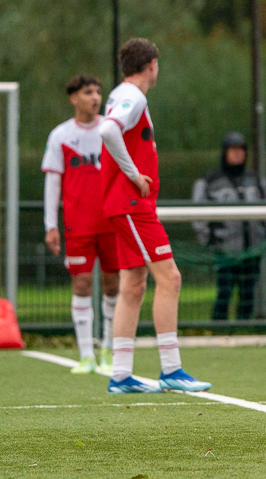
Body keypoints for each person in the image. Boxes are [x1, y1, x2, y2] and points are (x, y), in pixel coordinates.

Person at [99, 38, 210, 394]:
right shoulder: (133, 96)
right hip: (132, 204)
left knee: (134, 284)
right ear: (151, 65)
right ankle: (171, 370)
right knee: (171, 278)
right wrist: (133, 174)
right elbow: (108, 130)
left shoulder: (120, 94)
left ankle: (120, 375)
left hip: (125, 206)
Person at [41, 75, 120, 374]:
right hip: (78, 225)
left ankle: (109, 352)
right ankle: (86, 355)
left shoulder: (111, 130)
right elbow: (52, 181)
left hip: (112, 221)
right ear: (74, 98)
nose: (95, 97)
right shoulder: (61, 135)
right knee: (82, 283)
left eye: (98, 92)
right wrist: (51, 224)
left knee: (114, 284)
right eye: (88, 92)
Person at [191, 131, 266, 321]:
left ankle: (244, 329)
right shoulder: (210, 181)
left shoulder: (255, 179)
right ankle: (218, 329)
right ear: (225, 152)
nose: (237, 154)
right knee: (224, 293)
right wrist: (210, 240)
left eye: (241, 150)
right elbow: (197, 214)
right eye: (233, 150)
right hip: (225, 249)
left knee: (248, 293)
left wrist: (264, 235)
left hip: (252, 249)